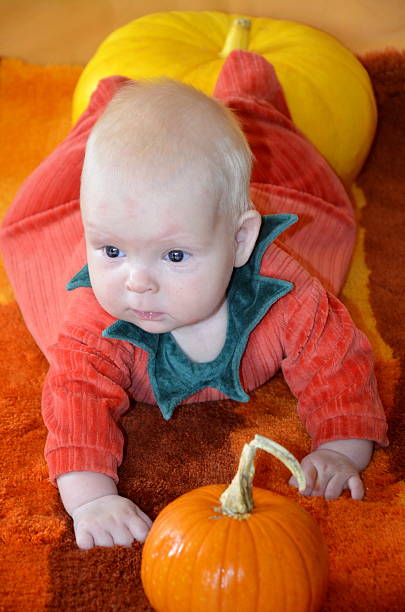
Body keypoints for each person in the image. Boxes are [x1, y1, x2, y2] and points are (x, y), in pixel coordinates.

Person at [0, 50, 388, 550]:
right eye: (112, 249)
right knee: (100, 152)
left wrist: (341, 448)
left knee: (258, 133)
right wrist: (91, 499)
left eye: (176, 255)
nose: (137, 282)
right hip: (128, 208)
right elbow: (73, 401)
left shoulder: (284, 293)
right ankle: (110, 101)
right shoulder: (97, 316)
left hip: (233, 207)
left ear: (241, 243)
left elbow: (338, 363)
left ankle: (247, 84)